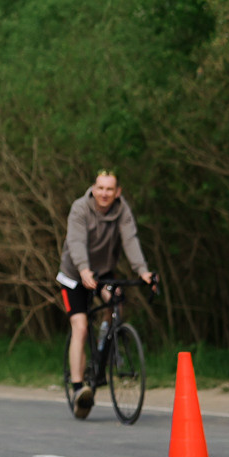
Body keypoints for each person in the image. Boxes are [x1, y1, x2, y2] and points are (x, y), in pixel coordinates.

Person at [55, 171, 154, 410]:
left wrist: (143, 271)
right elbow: (76, 242)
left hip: (103, 273)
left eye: (109, 189)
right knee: (80, 326)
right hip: (74, 275)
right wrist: (84, 271)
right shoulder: (80, 208)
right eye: (100, 188)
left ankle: (102, 351)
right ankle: (80, 388)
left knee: (116, 303)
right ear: (93, 188)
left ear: (117, 192)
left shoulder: (122, 211)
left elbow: (130, 240)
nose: (104, 194)